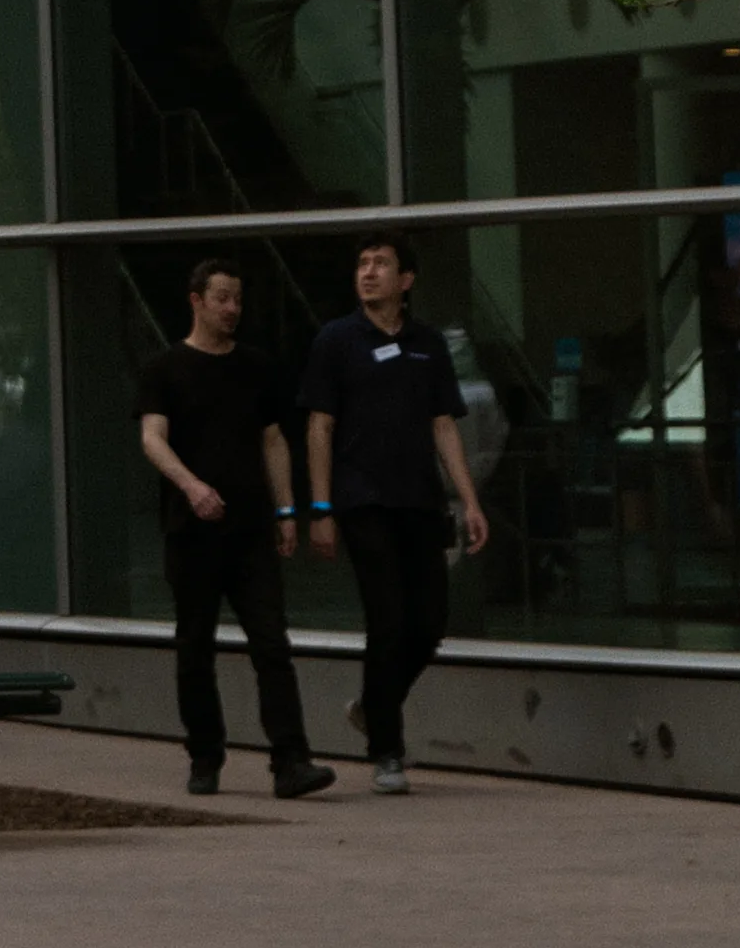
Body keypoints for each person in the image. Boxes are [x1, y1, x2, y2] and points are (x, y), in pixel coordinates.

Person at [130, 255, 338, 802]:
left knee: (271, 642)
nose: (232, 309)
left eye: (238, 299)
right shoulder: (164, 369)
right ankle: (205, 754)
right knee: (195, 645)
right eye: (222, 298)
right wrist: (192, 487)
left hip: (250, 531)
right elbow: (153, 438)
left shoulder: (257, 366)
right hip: (191, 531)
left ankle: (292, 760)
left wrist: (286, 509)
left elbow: (274, 440)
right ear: (196, 301)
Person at [297, 233, 489, 792]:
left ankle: (375, 703)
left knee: (428, 622)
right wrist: (322, 507)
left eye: (381, 264)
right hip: (362, 499)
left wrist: (470, 501)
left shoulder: (429, 345)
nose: (369, 272)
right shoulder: (337, 340)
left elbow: (444, 425)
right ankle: (388, 750)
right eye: (362, 263)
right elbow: (319, 427)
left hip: (420, 499)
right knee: (387, 619)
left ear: (406, 281)